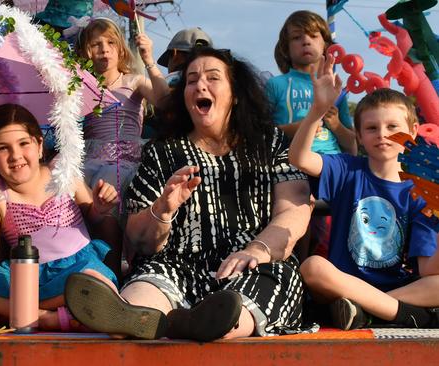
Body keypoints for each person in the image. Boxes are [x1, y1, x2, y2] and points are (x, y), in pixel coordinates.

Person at [64, 47, 312, 341]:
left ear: (234, 93)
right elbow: (138, 239)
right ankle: (133, 314)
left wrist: (257, 250)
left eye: (213, 77)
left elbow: (294, 210)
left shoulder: (268, 142)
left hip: (252, 263)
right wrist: (162, 210)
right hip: (176, 265)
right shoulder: (162, 151)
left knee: (263, 288)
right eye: (191, 80)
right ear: (183, 95)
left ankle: (205, 323)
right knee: (148, 285)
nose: (200, 85)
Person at [289, 55, 439, 330]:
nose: (383, 134)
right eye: (372, 128)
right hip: (341, 284)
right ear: (358, 135)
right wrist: (317, 111)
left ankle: (367, 311)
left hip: (397, 289)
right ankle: (398, 314)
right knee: (312, 267)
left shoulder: (422, 192)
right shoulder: (348, 169)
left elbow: (429, 270)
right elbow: (299, 158)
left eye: (393, 127)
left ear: (413, 131)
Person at [0, 104, 120, 331]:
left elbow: (93, 218)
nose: (15, 155)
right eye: (3, 148)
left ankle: (28, 315)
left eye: (23, 143)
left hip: (79, 270)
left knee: (93, 281)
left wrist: (100, 207)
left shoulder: (62, 171)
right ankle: (53, 316)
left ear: (39, 146)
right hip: (25, 279)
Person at [76, 18, 169, 265]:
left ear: (120, 49)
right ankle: (86, 260)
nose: (104, 49)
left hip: (124, 159)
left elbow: (165, 102)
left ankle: (115, 264)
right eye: (96, 44)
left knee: (109, 181)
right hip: (90, 158)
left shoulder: (133, 82)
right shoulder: (81, 85)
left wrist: (149, 60)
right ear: (87, 51)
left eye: (110, 42)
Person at [267, 10, 356, 259]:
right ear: (286, 48)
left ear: (325, 44)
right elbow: (262, 133)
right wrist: (305, 124)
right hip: (292, 165)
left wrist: (337, 125)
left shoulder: (338, 89)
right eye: (297, 37)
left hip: (333, 166)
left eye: (313, 35)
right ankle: (301, 271)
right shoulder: (276, 85)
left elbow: (352, 144)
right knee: (304, 222)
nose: (305, 41)